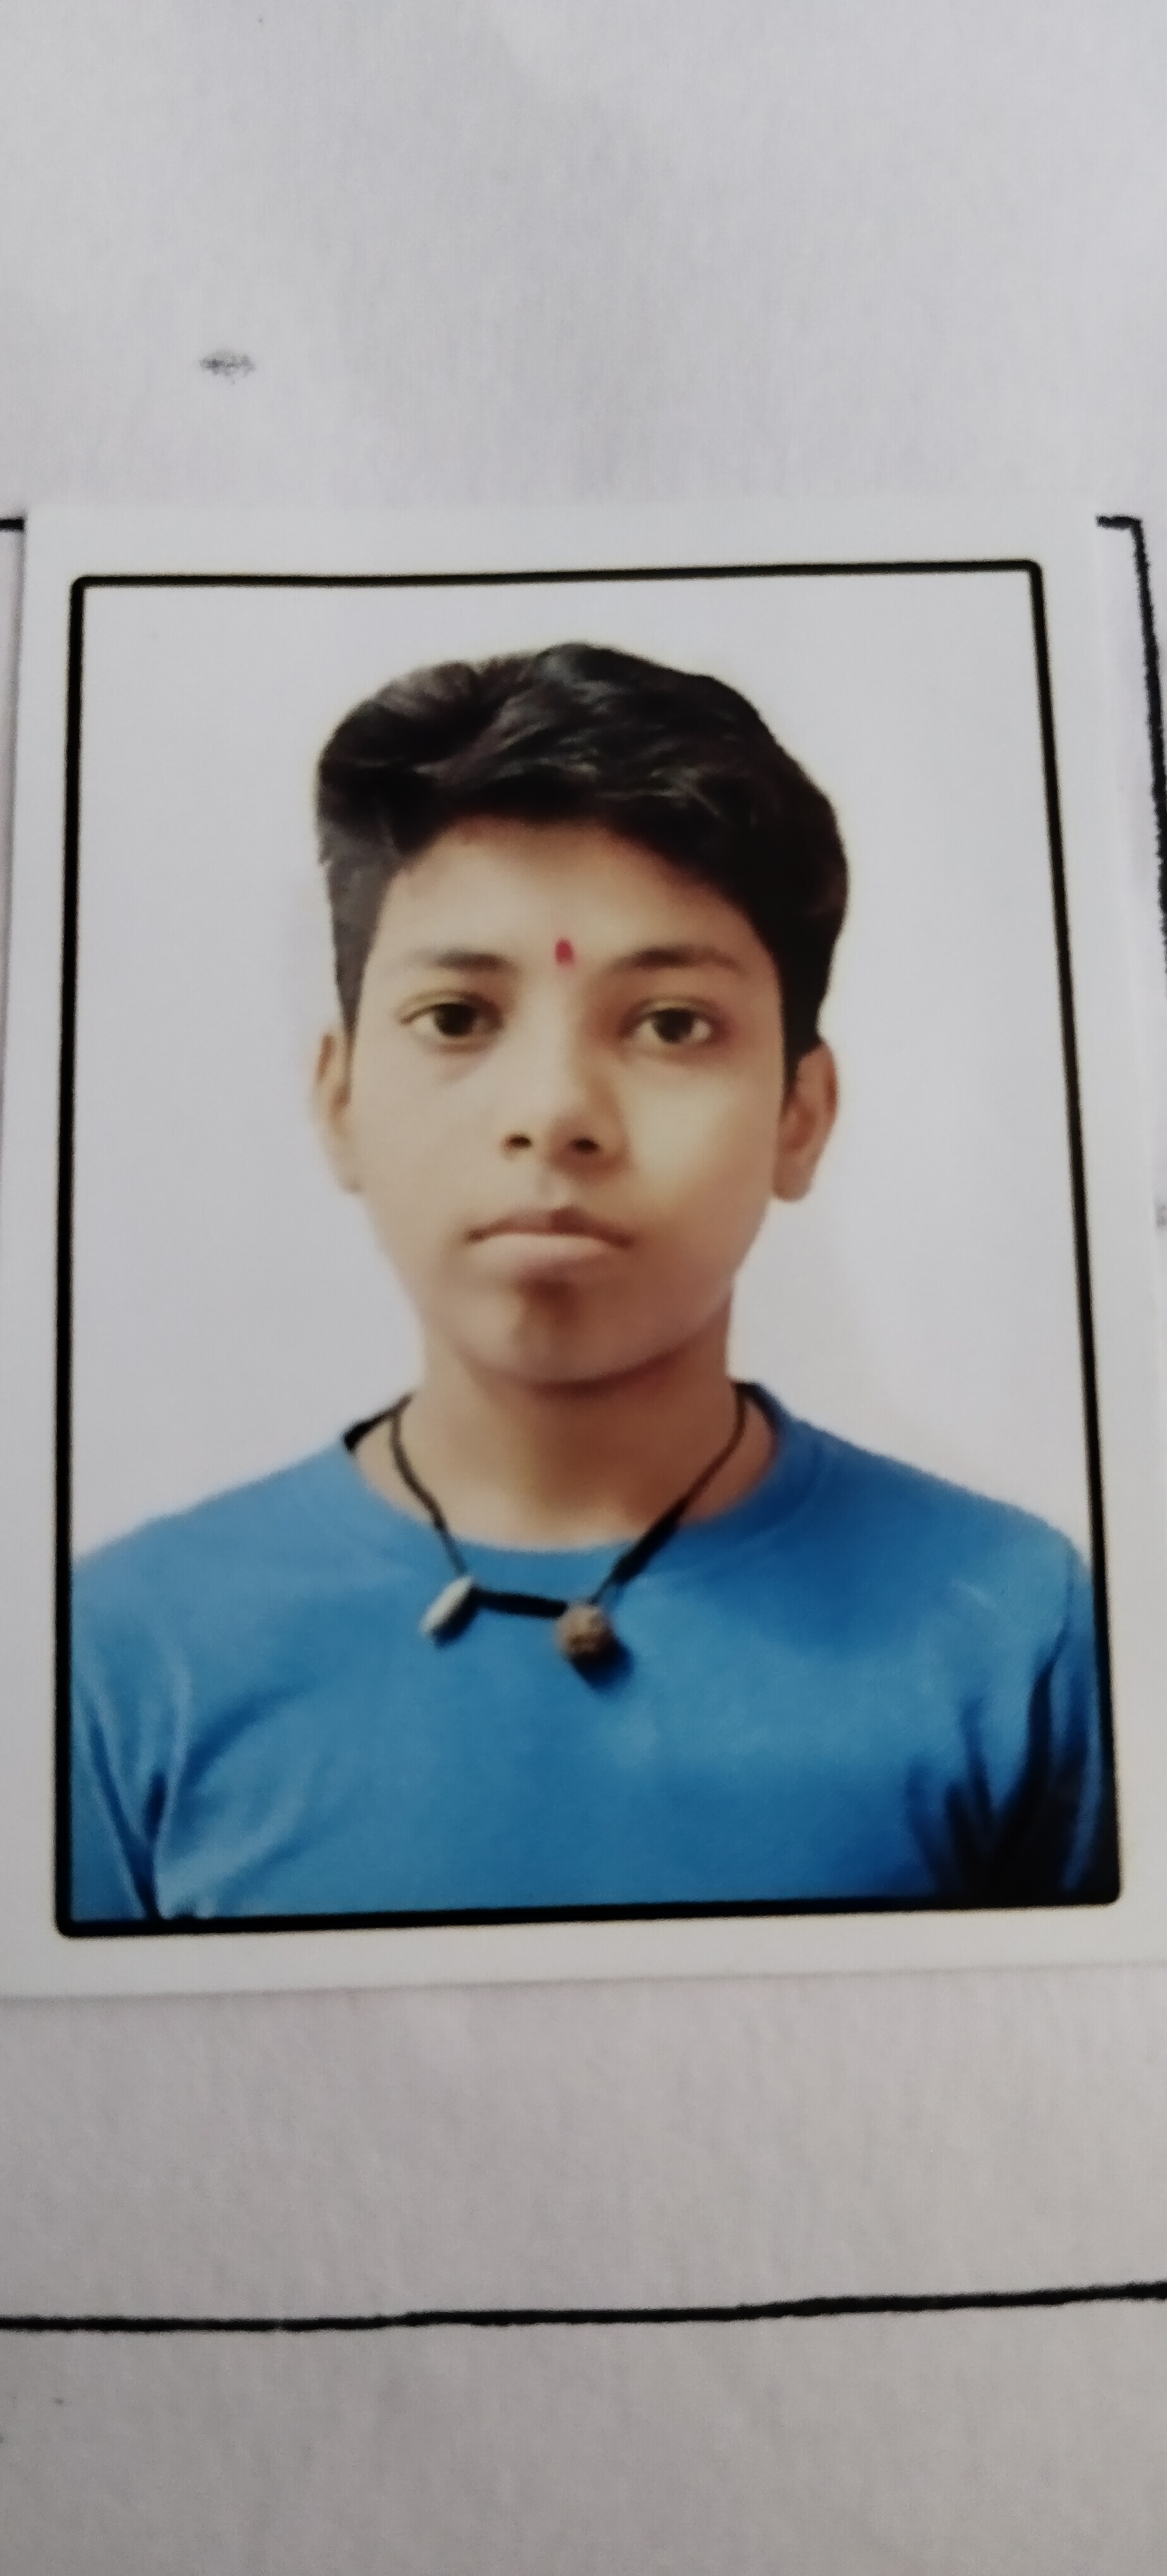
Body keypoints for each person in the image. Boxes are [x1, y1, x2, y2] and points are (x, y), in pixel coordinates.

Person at [69, 642, 1118, 1926]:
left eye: (672, 1024)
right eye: (458, 1018)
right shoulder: (121, 1655)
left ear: (799, 1114)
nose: (555, 1112)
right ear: (339, 1101)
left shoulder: (1016, 1628)